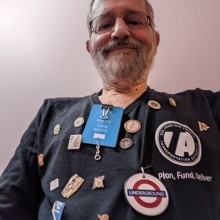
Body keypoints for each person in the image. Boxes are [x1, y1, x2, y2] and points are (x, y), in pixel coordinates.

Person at [0, 0, 220, 219]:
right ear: (90, 46)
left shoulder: (207, 109)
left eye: (134, 21)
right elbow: (7, 205)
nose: (120, 30)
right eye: (104, 25)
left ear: (155, 39)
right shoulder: (51, 117)